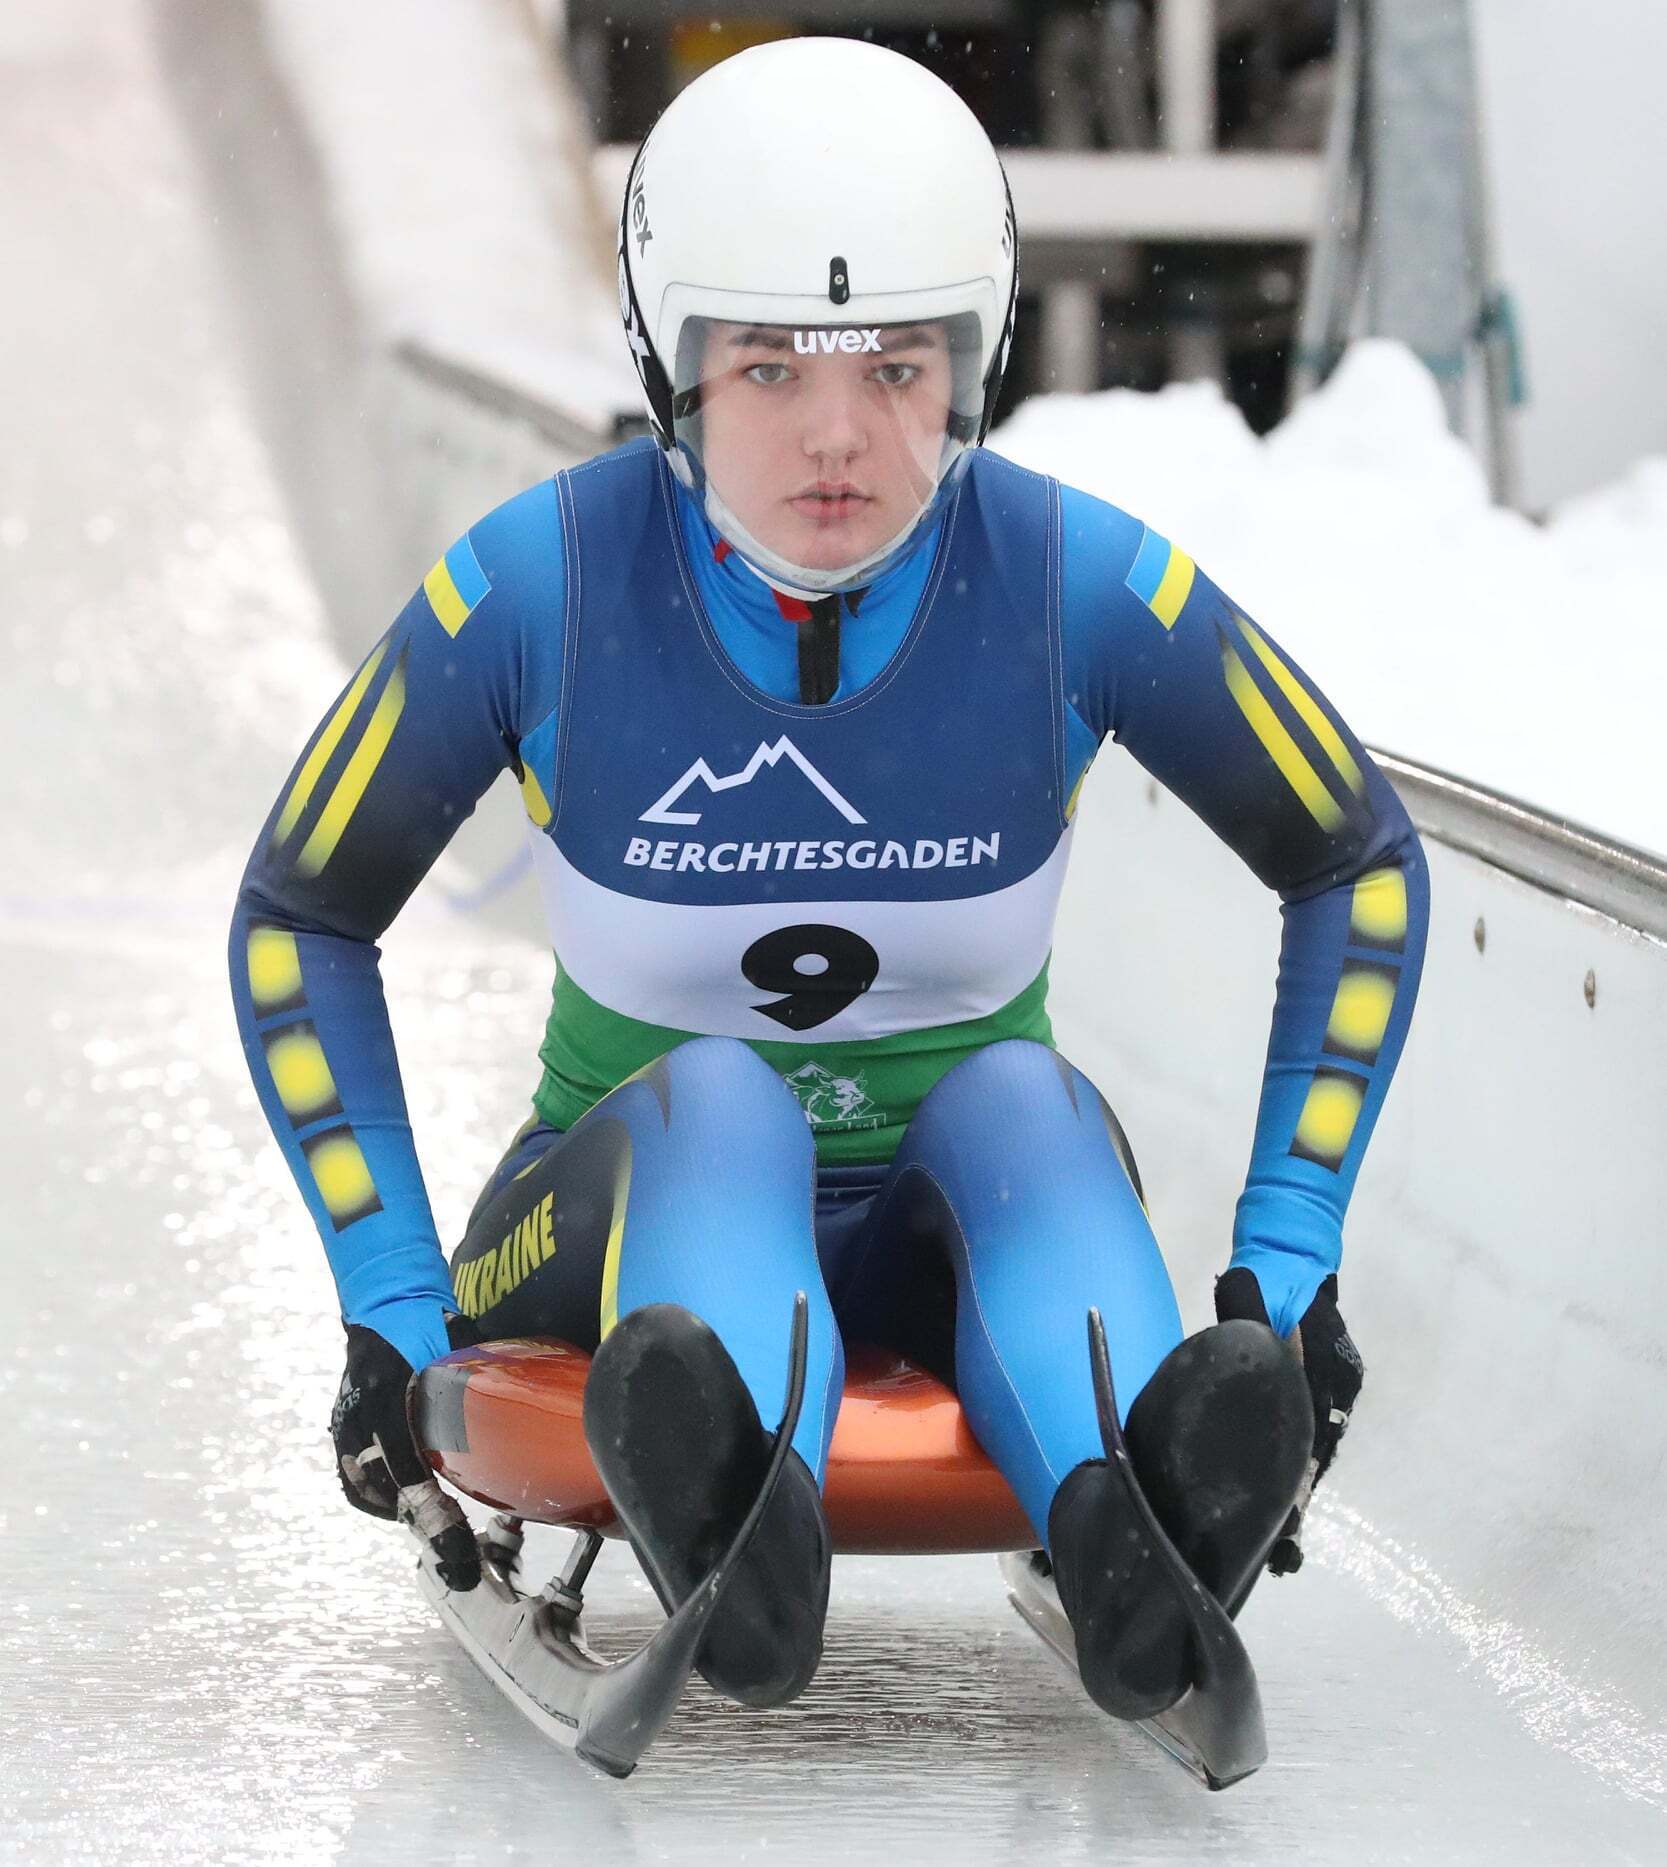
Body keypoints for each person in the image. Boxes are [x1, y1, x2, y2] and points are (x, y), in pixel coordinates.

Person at [229, 36, 1427, 1722]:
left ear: (977, 362)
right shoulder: (538, 584)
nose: (841, 439)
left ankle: (1135, 1527)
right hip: (610, 1223)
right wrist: (394, 1303)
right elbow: (301, 917)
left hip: (950, 1221)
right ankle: (742, 1516)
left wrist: (1287, 1269)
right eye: (771, 369)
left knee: (1027, 1101)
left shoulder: (1077, 580)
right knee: (716, 1100)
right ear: (674, 364)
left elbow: (1355, 863)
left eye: (900, 367)